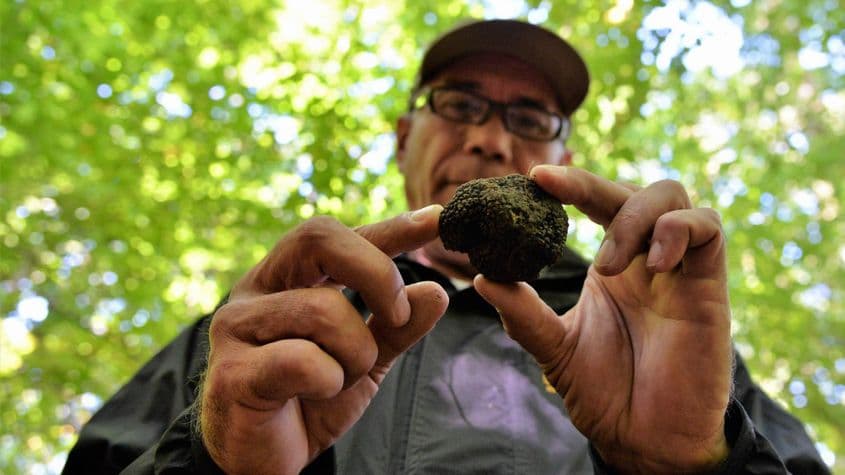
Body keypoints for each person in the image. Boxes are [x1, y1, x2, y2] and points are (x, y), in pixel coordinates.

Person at [63, 19, 830, 474]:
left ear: (561, 156)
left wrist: (697, 468)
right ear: (404, 139)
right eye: (459, 104)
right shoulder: (263, 333)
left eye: (530, 119)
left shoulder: (669, 345)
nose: (491, 138)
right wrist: (214, 462)